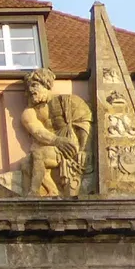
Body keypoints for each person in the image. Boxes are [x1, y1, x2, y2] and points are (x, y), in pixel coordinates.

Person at [19, 68, 91, 197]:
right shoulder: (29, 112)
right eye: (28, 87)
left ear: (46, 84)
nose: (31, 90)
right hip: (56, 144)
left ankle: (34, 193)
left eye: (35, 85)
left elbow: (84, 124)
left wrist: (84, 150)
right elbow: (37, 131)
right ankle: (52, 191)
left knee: (38, 154)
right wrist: (57, 141)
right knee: (26, 164)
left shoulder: (68, 101)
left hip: (70, 145)